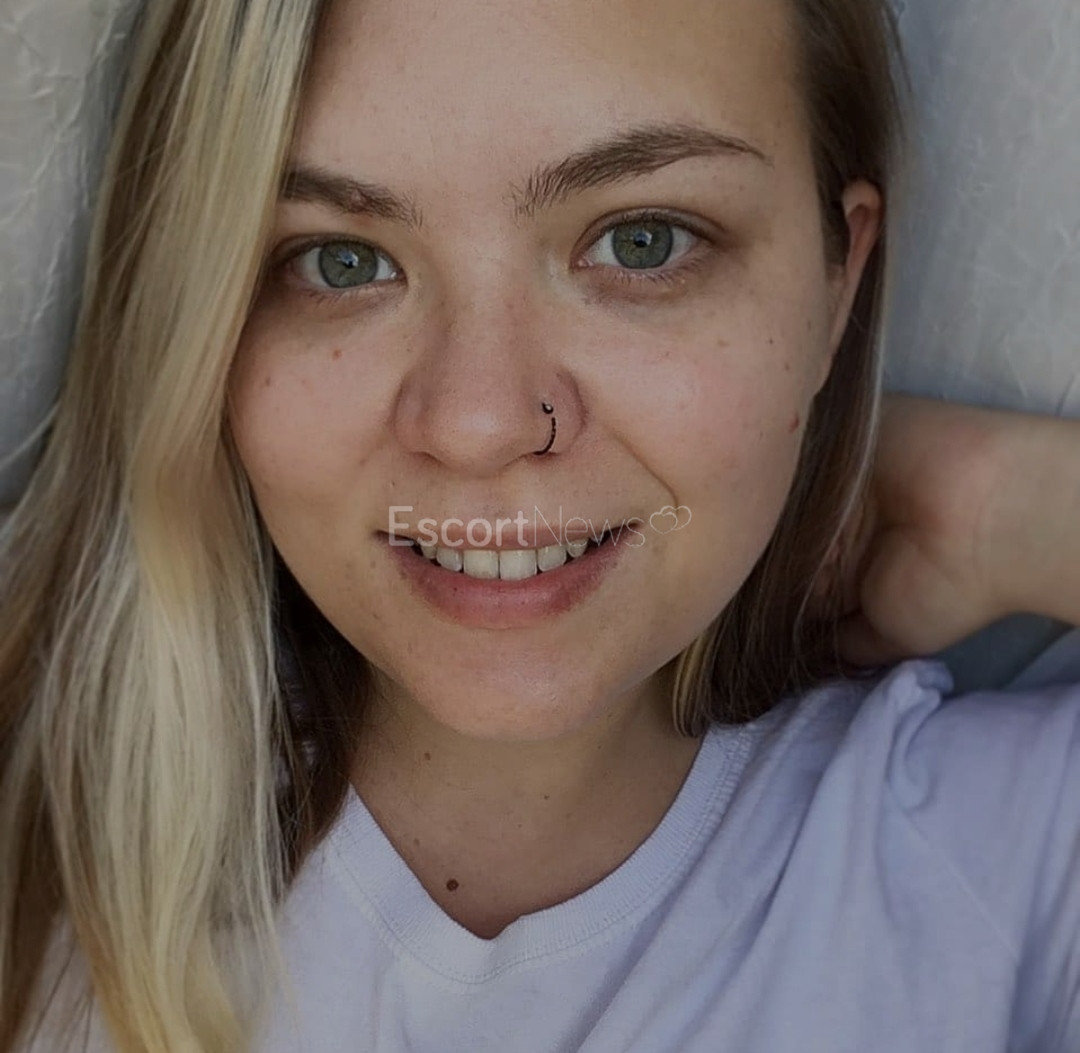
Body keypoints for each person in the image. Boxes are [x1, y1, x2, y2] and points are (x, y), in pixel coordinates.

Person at [0, 0, 1077, 1050]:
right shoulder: (31, 858)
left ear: (836, 287)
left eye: (643, 243)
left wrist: (994, 503)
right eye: (340, 262)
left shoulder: (999, 868)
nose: (478, 424)